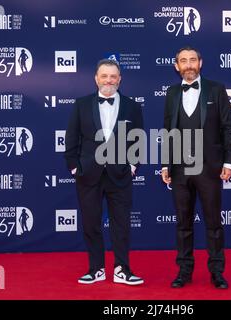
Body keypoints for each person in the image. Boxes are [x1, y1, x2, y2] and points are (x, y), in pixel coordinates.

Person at [161, 46, 231, 289]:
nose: (188, 65)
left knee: (213, 223)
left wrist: (229, 160)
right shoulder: (172, 93)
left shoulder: (216, 89)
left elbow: (228, 127)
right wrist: (166, 163)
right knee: (183, 223)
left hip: (209, 167)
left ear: (200, 63)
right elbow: (168, 131)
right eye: (183, 61)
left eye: (192, 60)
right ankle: (184, 271)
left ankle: (217, 272)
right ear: (177, 66)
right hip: (180, 168)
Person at [64, 59, 144, 286]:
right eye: (104, 76)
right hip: (88, 174)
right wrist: (74, 167)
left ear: (119, 79)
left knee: (122, 225)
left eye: (113, 76)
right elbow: (71, 140)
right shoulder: (81, 105)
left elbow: (137, 140)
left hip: (120, 175)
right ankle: (96, 269)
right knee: (91, 224)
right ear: (96, 79)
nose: (108, 80)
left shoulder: (132, 106)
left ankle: (122, 269)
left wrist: (132, 166)